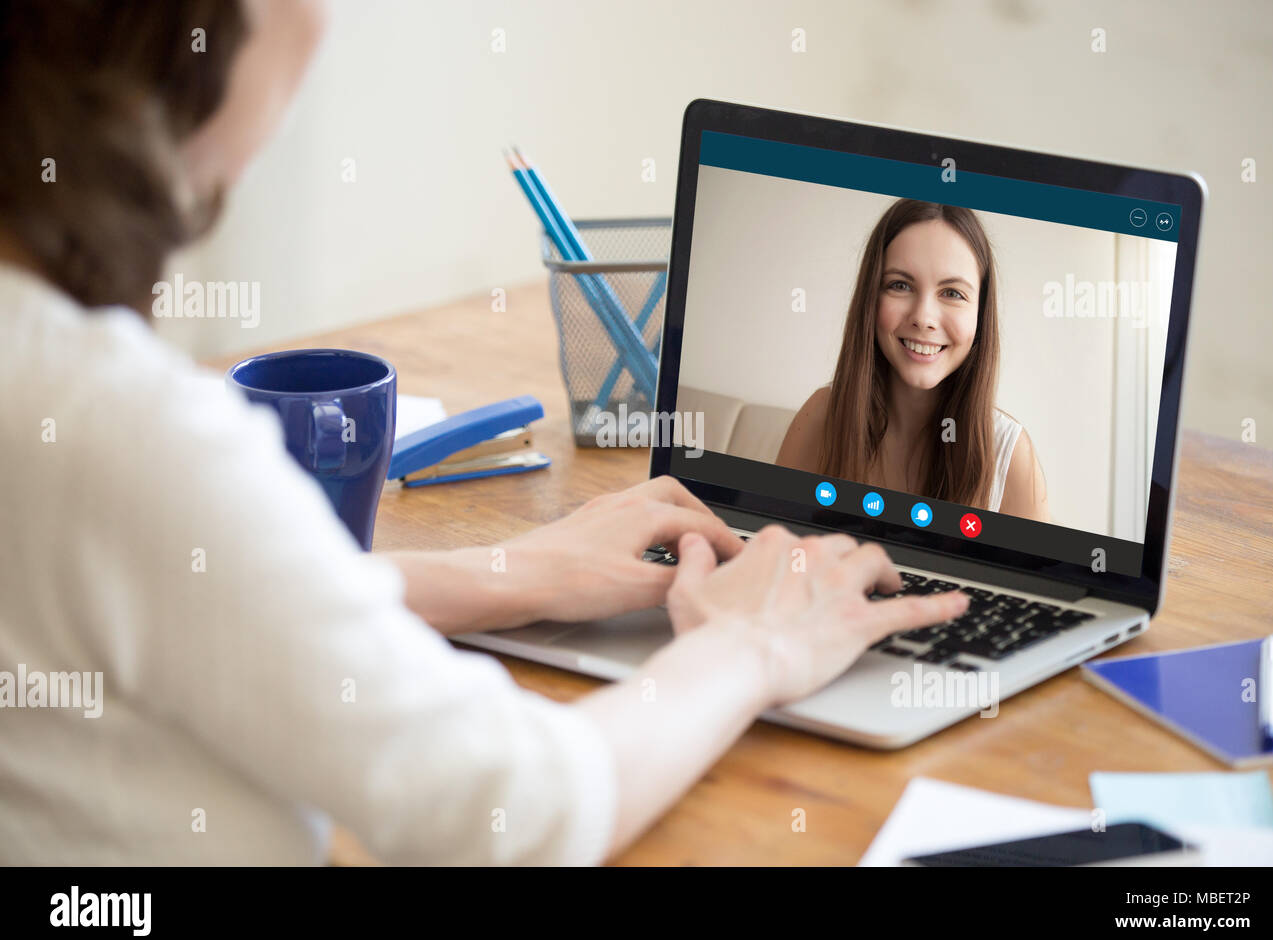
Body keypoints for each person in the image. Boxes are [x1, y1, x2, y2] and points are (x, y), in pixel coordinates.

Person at [0, 0, 968, 865]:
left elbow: (163, 595)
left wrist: (496, 572)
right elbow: (512, 811)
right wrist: (748, 645)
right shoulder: (114, 429)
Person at [776, 199, 1051, 522]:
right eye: (900, 285)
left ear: (980, 313)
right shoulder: (820, 416)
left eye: (952, 293)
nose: (924, 318)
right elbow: (772, 552)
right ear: (871, 298)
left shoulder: (1011, 456)